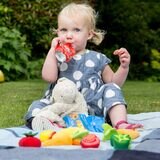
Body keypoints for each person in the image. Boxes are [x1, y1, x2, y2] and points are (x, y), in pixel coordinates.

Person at [24, 2, 143, 131]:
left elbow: (114, 83)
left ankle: (120, 123)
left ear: (89, 34)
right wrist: (52, 50)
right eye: (64, 30)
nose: (69, 35)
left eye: (76, 30)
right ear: (57, 32)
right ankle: (52, 124)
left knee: (111, 89)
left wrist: (124, 68)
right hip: (62, 107)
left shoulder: (98, 58)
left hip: (92, 107)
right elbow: (49, 77)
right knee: (37, 105)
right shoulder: (58, 57)